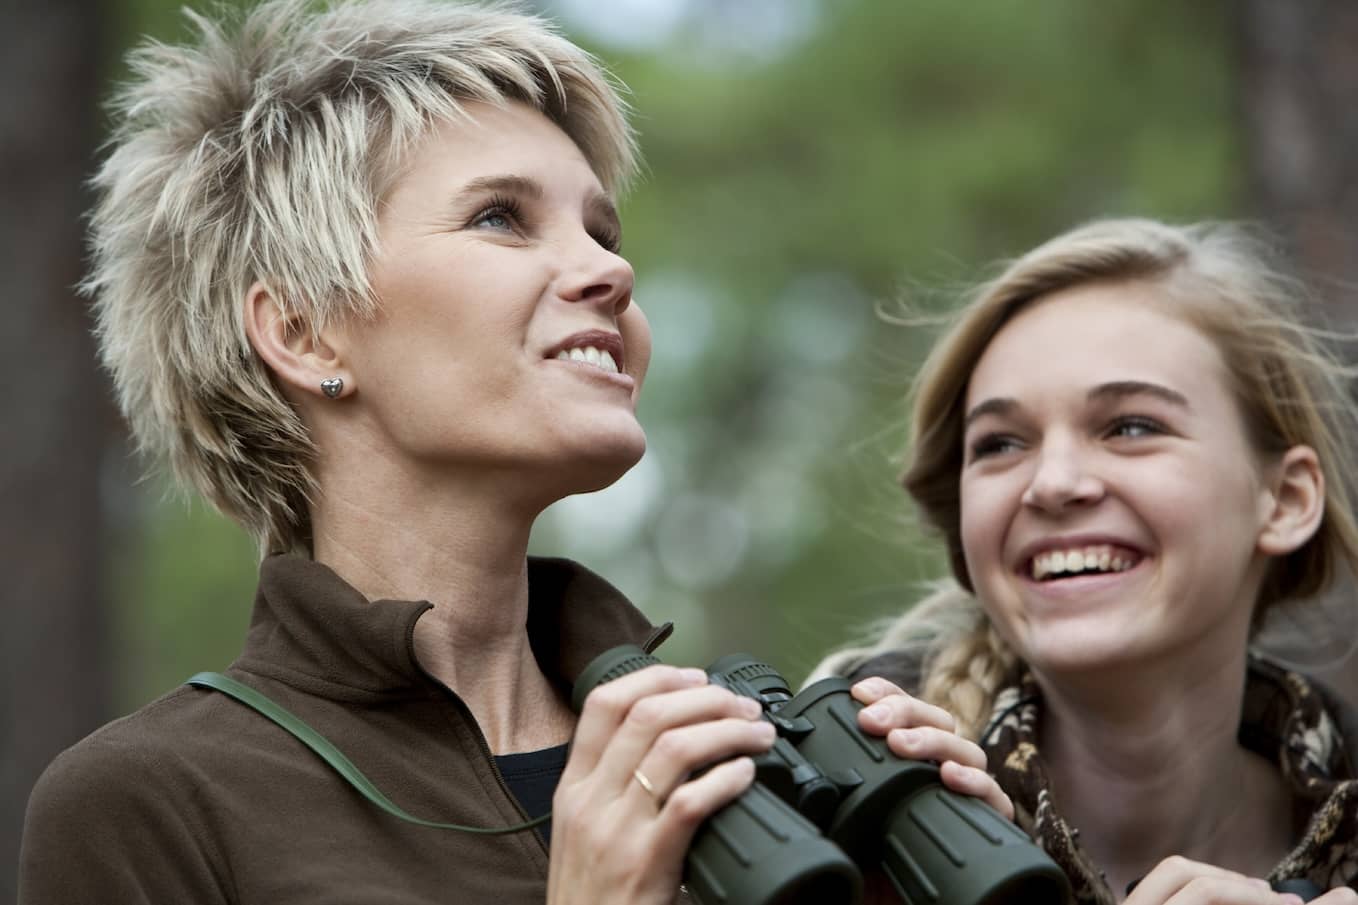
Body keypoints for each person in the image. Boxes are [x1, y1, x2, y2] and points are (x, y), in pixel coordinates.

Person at [17, 2, 1011, 903]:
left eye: (600, 229)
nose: (609, 269)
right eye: (501, 217)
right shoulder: (151, 802)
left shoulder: (734, 764)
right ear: (306, 334)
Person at [812, 218, 1358, 904]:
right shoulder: (828, 835)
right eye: (1001, 444)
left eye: (1131, 426)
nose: (1052, 482)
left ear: (1284, 498)